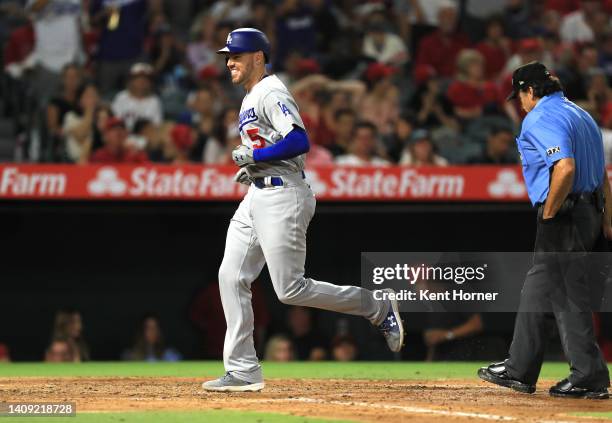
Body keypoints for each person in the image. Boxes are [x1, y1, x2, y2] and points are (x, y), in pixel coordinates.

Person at [202, 28, 404, 392]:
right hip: (257, 196)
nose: (228, 61)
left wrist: (258, 156)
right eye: (226, 56)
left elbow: (299, 139)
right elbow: (275, 145)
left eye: (235, 55)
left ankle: (376, 306)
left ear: (258, 57)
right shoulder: (250, 97)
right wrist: (254, 167)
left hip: (283, 196)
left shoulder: (271, 90)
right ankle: (243, 369)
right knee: (230, 276)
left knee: (290, 289)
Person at [478, 61, 611, 400]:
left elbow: (565, 167)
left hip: (565, 212)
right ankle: (519, 368)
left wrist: (550, 213)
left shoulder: (539, 117)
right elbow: (604, 174)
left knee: (567, 293)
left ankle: (589, 375)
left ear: (531, 91)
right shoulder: (581, 114)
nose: (519, 102)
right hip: (590, 209)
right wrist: (606, 219)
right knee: (539, 288)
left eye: (520, 94)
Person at [111, 62, 162, 131]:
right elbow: (114, 122)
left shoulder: (155, 101)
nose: (142, 82)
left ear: (150, 83)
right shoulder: (121, 97)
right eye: (138, 78)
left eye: (145, 79)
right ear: (131, 81)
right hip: (122, 136)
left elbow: (156, 126)